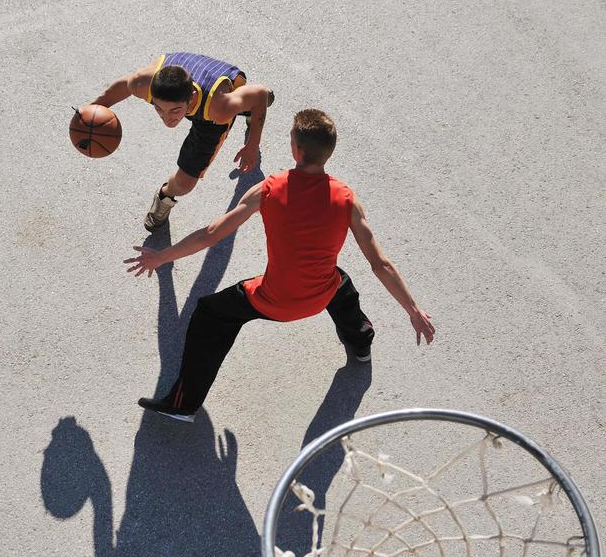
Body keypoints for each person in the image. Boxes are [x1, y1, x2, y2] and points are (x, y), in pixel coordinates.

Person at [124, 109, 435, 422]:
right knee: (339, 282)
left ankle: (183, 403)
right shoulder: (347, 200)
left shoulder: (270, 189)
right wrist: (413, 310)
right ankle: (361, 341)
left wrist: (160, 257)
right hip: (320, 296)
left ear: (296, 150)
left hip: (273, 301)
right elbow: (380, 264)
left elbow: (211, 235)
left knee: (210, 314)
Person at [85, 50, 274, 231]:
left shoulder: (218, 109)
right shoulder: (142, 84)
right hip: (184, 72)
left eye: (174, 111)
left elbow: (261, 94)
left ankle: (247, 108)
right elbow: (123, 86)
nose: (166, 118)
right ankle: (246, 105)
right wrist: (92, 111)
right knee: (183, 184)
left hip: (215, 97)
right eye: (159, 109)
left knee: (185, 184)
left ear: (191, 98)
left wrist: (252, 145)